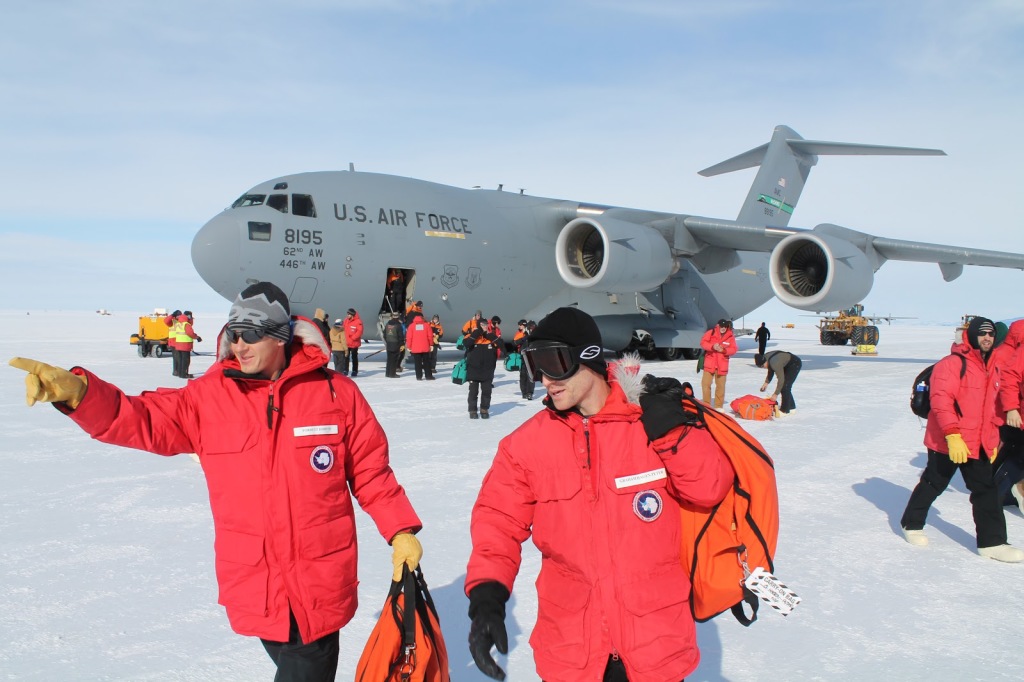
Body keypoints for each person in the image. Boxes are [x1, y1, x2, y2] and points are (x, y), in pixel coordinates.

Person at [8, 281, 425, 679]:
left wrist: (400, 529)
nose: (238, 345)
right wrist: (80, 395)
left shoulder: (336, 394)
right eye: (234, 334)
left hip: (320, 577)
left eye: (250, 334)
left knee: (305, 663)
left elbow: (371, 471)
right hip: (255, 580)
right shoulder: (207, 399)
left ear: (281, 336)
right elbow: (137, 417)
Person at [465, 307, 734, 681]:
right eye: (534, 365)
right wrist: (487, 596)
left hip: (655, 643)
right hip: (573, 647)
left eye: (553, 363)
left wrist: (675, 432)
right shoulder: (526, 446)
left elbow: (709, 488)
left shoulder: (651, 423)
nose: (545, 380)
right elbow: (498, 523)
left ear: (588, 357)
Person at [899, 317, 1023, 562]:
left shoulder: (994, 366)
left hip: (978, 442)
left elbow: (993, 409)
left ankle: (993, 543)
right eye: (982, 333)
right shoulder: (953, 364)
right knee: (934, 483)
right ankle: (911, 523)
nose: (987, 338)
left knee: (985, 489)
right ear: (972, 335)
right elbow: (942, 402)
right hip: (948, 440)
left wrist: (993, 438)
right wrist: (952, 435)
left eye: (990, 334)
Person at [993, 320, 1024, 512]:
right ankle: (1007, 491)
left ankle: (1001, 493)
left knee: (1011, 454)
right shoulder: (1013, 353)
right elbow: (1009, 378)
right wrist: (1011, 408)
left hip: (1009, 413)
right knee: (1015, 457)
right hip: (1008, 413)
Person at [465, 317, 499, 419]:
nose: (484, 327)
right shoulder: (471, 336)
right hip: (473, 369)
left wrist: (491, 336)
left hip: (487, 370)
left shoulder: (490, 337)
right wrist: (477, 333)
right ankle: (473, 410)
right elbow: (466, 344)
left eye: (485, 325)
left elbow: (500, 345)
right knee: (473, 392)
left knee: (487, 391)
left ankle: (484, 409)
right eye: (482, 325)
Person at [699, 319, 737, 409]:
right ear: (718, 325)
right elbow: (703, 343)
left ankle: (718, 406)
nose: (723, 328)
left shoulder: (730, 336)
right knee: (705, 384)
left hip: (722, 365)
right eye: (721, 326)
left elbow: (734, 349)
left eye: (725, 326)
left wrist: (724, 350)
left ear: (727, 327)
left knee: (720, 386)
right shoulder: (711, 333)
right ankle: (706, 405)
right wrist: (712, 347)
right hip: (709, 364)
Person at [756, 349, 802, 416]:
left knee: (785, 387)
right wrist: (766, 383)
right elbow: (770, 370)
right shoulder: (767, 358)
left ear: (765, 361)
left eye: (763, 366)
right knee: (786, 387)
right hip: (786, 364)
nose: (764, 368)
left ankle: (785, 410)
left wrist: (775, 394)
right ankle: (792, 408)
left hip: (794, 363)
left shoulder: (775, 363)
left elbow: (781, 380)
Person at [405, 311, 435, 380]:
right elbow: (430, 336)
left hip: (415, 348)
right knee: (427, 362)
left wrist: (409, 346)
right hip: (425, 347)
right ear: (422, 317)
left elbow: (409, 337)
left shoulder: (411, 326)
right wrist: (431, 344)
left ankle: (419, 376)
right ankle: (428, 376)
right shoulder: (426, 325)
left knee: (417, 363)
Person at [173, 311, 201, 379]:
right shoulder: (186, 324)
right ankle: (184, 374)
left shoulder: (179, 324)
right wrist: (197, 337)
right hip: (185, 345)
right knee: (185, 361)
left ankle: (180, 373)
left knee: (180, 360)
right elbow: (190, 333)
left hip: (178, 345)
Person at [512, 319, 534, 400]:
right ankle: (524, 392)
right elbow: (514, 343)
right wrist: (523, 338)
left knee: (530, 375)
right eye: (519, 325)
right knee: (523, 375)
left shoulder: (532, 333)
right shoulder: (519, 333)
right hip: (522, 356)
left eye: (521, 325)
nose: (519, 326)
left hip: (531, 356)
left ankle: (529, 393)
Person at [383, 311, 404, 378]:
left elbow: (384, 334)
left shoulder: (387, 324)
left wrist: (388, 341)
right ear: (398, 317)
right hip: (396, 344)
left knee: (389, 359)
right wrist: (402, 344)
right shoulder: (398, 325)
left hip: (389, 343)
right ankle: (392, 374)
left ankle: (387, 373)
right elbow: (400, 336)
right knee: (394, 360)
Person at [343, 308, 363, 377]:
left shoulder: (358, 321)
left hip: (354, 343)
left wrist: (353, 338)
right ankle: (345, 370)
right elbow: (343, 329)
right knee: (346, 357)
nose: (347, 315)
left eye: (349, 314)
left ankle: (355, 370)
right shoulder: (346, 321)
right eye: (347, 314)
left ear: (352, 314)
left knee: (354, 357)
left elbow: (359, 331)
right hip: (346, 343)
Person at [163, 309, 182, 378]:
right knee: (177, 357)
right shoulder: (172, 321)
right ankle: (176, 371)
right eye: (178, 315)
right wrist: (172, 316)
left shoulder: (181, 322)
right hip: (173, 341)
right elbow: (166, 321)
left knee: (179, 357)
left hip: (180, 341)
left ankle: (178, 370)